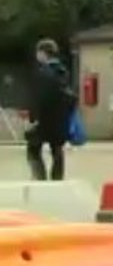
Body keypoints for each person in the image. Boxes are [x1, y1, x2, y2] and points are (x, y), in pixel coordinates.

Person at [25, 39, 76, 181]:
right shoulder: (63, 71)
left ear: (43, 53)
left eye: (38, 52)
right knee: (57, 150)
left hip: (44, 118)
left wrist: (33, 118)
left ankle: (39, 177)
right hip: (60, 119)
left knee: (33, 149)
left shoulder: (43, 72)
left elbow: (39, 98)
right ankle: (57, 179)